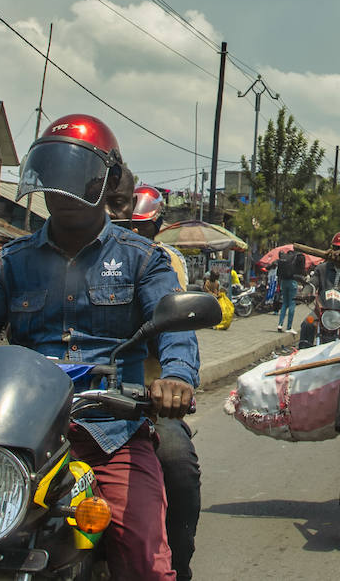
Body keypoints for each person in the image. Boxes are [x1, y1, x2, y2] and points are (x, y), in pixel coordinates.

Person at [0, 114, 196, 580]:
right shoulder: (10, 262)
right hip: (15, 431)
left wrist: (176, 379)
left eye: (75, 175)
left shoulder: (143, 259)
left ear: (105, 183)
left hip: (107, 428)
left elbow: (174, 329)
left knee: (142, 545)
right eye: (53, 175)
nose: (61, 188)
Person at [114, 181, 202, 581]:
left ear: (156, 226)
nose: (130, 234)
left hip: (143, 393)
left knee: (177, 463)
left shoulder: (160, 263)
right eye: (122, 223)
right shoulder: (35, 256)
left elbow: (175, 327)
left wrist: (176, 378)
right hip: (56, 396)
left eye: (140, 227)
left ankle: (178, 565)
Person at [275, 247, 305, 333]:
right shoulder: (297, 257)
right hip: (292, 282)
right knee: (292, 304)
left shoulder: (285, 257)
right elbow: (301, 270)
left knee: (284, 303)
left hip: (283, 282)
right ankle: (289, 327)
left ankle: (280, 324)